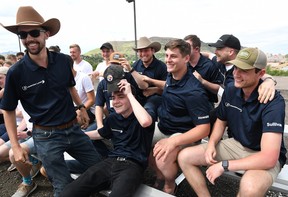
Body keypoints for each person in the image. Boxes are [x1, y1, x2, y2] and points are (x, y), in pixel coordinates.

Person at [0, 6, 101, 197]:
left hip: (74, 129)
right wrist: (15, 146)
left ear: (46, 34)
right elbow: (8, 109)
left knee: (99, 169)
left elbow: (70, 86)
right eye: (23, 35)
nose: (29, 38)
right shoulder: (16, 73)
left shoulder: (63, 61)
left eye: (34, 32)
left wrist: (80, 107)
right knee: (62, 188)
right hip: (46, 136)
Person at [178, 47, 287, 197]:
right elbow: (221, 121)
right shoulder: (232, 89)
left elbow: (269, 157)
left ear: (261, 73)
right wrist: (211, 144)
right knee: (185, 157)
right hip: (237, 144)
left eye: (244, 70)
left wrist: (224, 165)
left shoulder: (273, 101)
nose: (236, 73)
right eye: (235, 67)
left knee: (249, 188)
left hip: (261, 153)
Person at [60, 67, 158, 197]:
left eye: (121, 97)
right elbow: (100, 133)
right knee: (68, 192)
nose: (115, 102)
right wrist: (77, 135)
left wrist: (129, 93)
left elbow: (145, 122)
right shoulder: (113, 118)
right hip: (110, 162)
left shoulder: (143, 114)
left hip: (132, 166)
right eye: (113, 97)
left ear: (131, 96)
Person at [152, 39, 211, 194]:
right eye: (166, 55)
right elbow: (169, 88)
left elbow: (204, 128)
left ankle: (170, 184)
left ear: (186, 58)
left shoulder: (194, 92)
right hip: (165, 126)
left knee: (162, 155)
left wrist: (173, 141)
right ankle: (160, 175)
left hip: (184, 133)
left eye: (173, 56)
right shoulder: (172, 75)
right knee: (139, 136)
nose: (168, 60)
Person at [206, 34, 277, 103]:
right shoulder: (220, 61)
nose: (215, 52)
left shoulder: (243, 68)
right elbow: (209, 55)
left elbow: (260, 74)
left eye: (219, 49)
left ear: (231, 52)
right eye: (236, 68)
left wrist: (269, 81)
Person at [120, 36, 167, 106]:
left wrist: (155, 90)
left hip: (156, 103)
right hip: (137, 101)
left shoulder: (162, 67)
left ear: (153, 51)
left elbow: (169, 87)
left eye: (146, 50)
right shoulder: (135, 65)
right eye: (140, 51)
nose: (143, 54)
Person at [183, 34, 222, 109]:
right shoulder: (183, 64)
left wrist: (202, 81)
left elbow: (219, 89)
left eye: (187, 47)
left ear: (196, 49)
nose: (184, 50)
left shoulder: (210, 66)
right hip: (185, 103)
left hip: (205, 105)